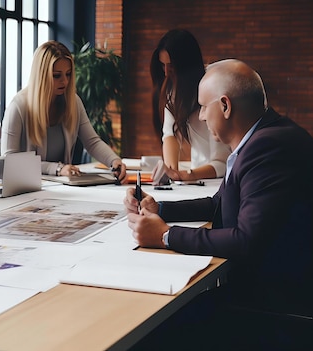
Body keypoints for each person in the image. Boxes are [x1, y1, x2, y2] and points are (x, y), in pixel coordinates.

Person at [127, 59, 313, 349]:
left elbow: (245, 241)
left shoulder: (268, 147)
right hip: (272, 288)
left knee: (151, 327)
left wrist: (165, 236)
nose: (200, 117)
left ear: (225, 106)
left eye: (203, 106)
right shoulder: (265, 137)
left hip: (274, 302)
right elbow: (221, 202)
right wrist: (160, 208)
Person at [1, 40, 127, 182]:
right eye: (57, 75)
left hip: (61, 189)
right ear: (41, 76)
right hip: (26, 187)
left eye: (68, 74)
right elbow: (8, 160)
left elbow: (92, 142)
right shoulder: (18, 106)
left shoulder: (73, 102)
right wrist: (56, 168)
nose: (65, 81)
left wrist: (114, 161)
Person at [150, 29, 230, 181]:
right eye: (163, 65)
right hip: (197, 176)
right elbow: (169, 135)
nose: (166, 72)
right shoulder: (174, 92)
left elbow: (222, 163)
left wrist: (186, 175)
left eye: (171, 66)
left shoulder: (212, 89)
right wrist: (171, 171)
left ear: (186, 65)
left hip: (220, 180)